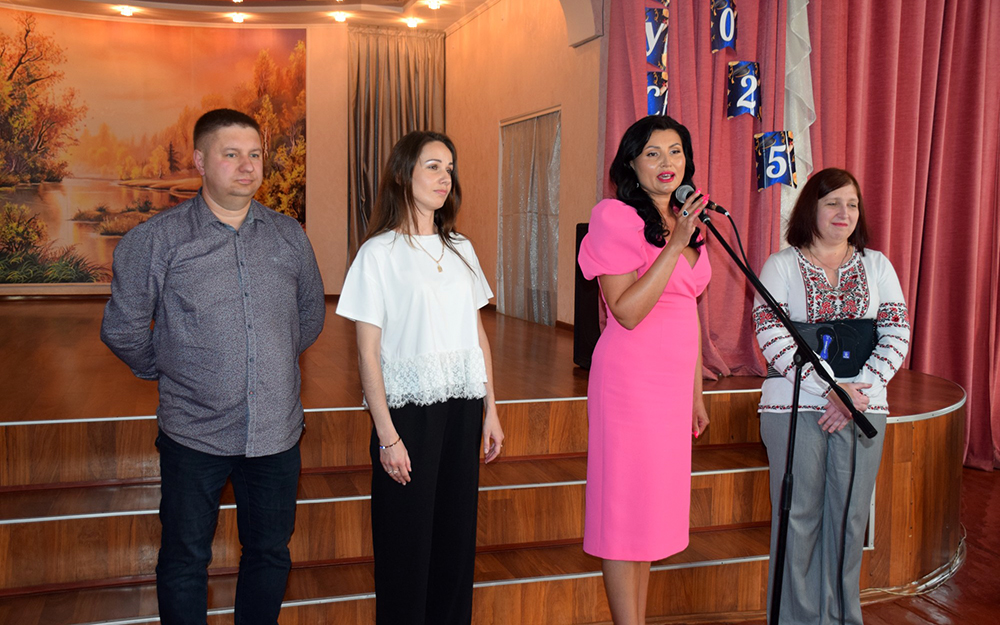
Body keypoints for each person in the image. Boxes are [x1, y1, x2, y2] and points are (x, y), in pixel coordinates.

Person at [101, 108, 326, 625]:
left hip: (276, 434)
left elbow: (309, 316)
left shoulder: (289, 236)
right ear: (201, 162)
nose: (247, 166)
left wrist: (268, 361)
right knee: (185, 559)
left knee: (270, 553)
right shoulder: (156, 240)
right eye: (231, 154)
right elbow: (123, 329)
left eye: (255, 155)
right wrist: (172, 368)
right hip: (194, 434)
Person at [336, 131, 504, 625]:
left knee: (455, 539)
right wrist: (387, 436)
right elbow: (367, 354)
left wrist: (491, 410)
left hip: (463, 407)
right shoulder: (378, 254)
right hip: (407, 414)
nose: (444, 177)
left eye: (449, 168)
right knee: (405, 544)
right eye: (432, 166)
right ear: (402, 174)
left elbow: (477, 336)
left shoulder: (461, 248)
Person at [752, 167, 910, 624]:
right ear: (811, 209)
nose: (845, 212)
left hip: (863, 408)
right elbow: (773, 338)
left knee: (849, 520)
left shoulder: (877, 265)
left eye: (852, 204)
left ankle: (841, 619)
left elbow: (896, 334)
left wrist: (855, 394)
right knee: (797, 518)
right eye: (833, 203)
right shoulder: (780, 265)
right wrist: (831, 390)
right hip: (794, 405)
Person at [577, 114, 711, 625]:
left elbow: (688, 310)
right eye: (652, 153)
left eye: (675, 151)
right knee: (623, 514)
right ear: (631, 163)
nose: (666, 162)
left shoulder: (687, 222)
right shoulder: (614, 216)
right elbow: (626, 311)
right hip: (629, 383)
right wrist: (675, 246)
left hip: (673, 387)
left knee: (650, 516)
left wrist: (695, 393)